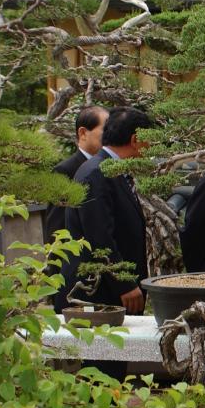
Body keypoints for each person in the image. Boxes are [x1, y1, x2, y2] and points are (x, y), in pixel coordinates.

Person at [61, 106, 154, 314]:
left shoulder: (109, 169)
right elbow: (99, 237)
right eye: (150, 140)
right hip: (98, 290)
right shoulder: (96, 173)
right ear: (135, 139)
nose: (151, 147)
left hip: (109, 287)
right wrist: (125, 284)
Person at [44, 105, 108, 243]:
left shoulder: (112, 168)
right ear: (83, 133)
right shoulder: (65, 171)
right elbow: (56, 230)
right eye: (105, 130)